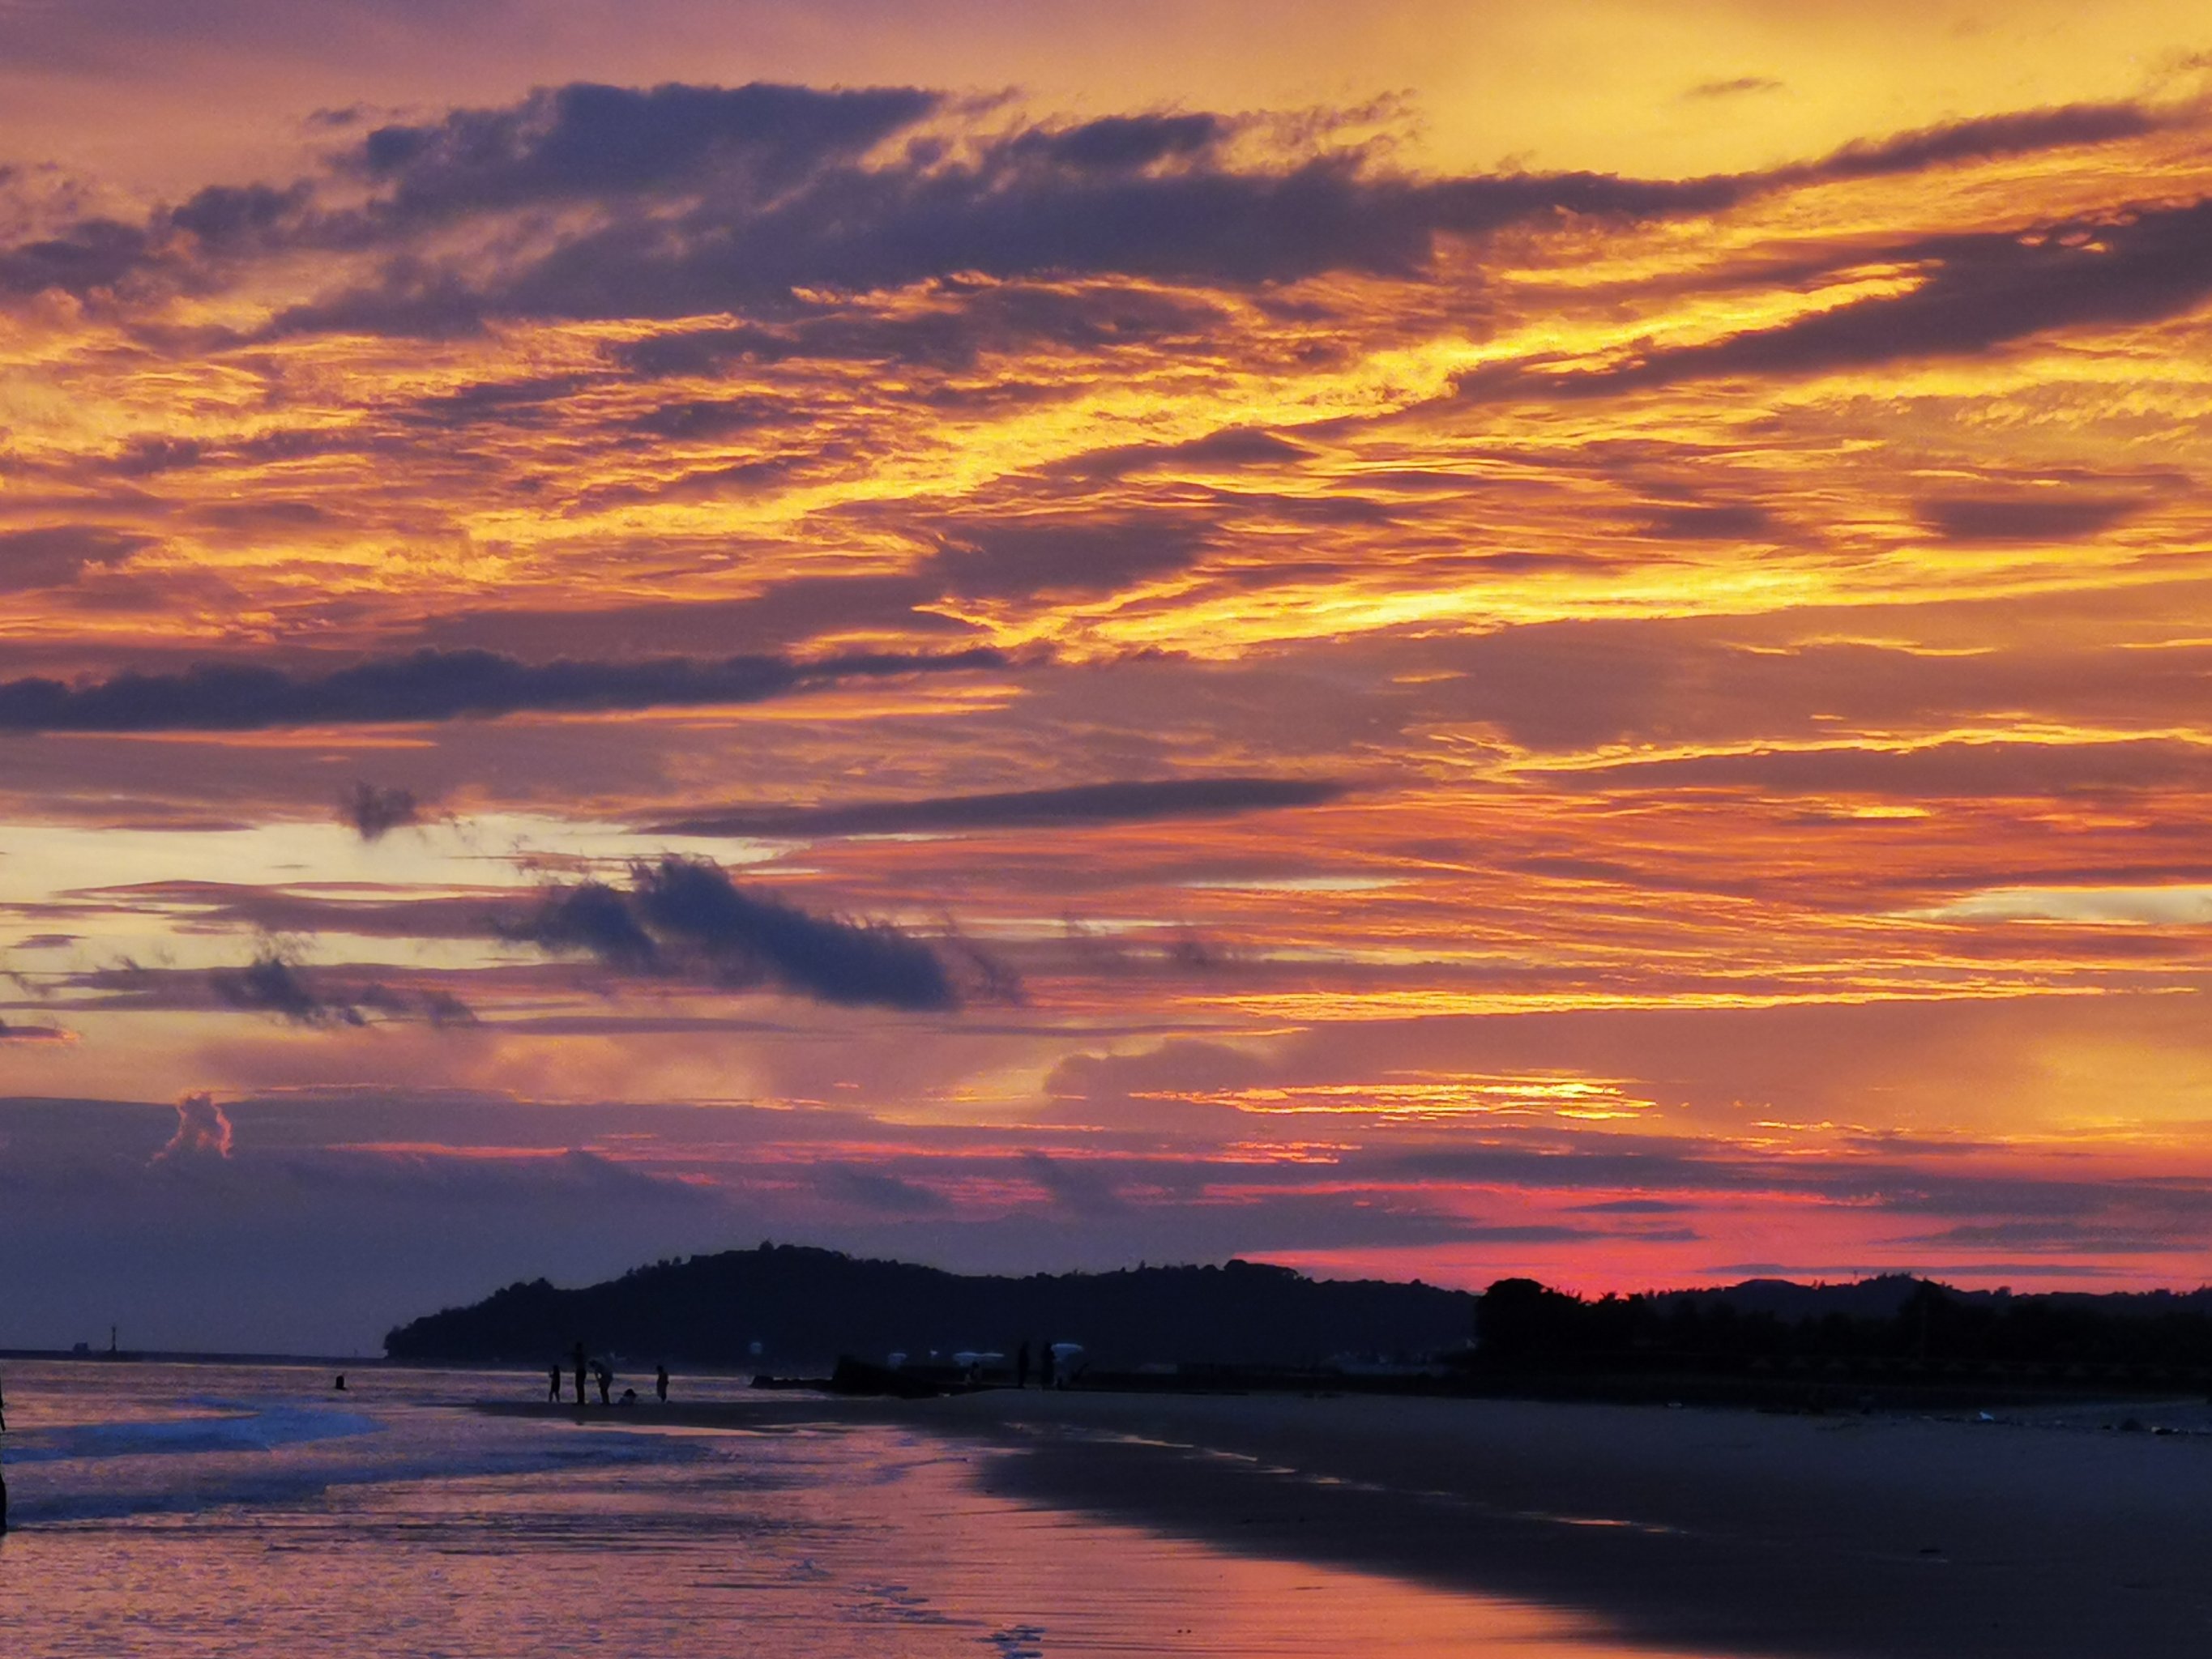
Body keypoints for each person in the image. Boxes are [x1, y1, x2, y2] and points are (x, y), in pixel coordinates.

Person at [572, 1341, 587, 1407]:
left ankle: (581, 1401)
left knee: (579, 1385)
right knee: (579, 1385)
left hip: (580, 1371)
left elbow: (576, 1356)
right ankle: (580, 1400)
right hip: (581, 1370)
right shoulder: (581, 1354)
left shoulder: (580, 1354)